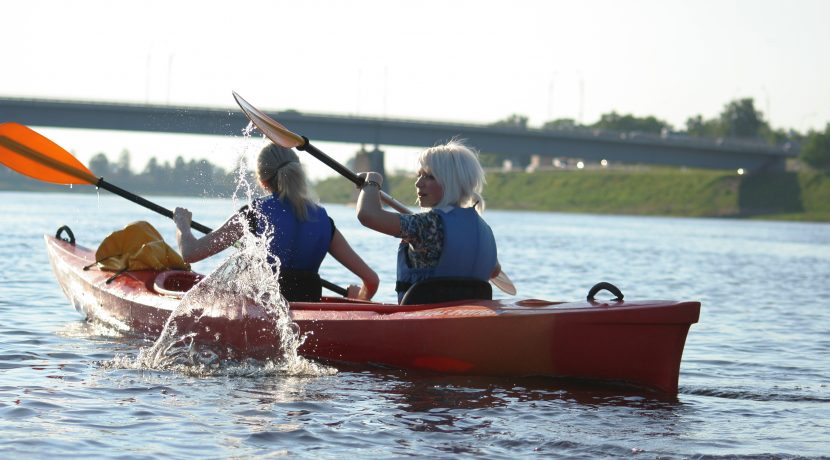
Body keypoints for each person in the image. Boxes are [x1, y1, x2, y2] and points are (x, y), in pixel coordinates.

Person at [173, 143, 379, 302]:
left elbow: (191, 253)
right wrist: (359, 298)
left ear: (262, 182)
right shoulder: (324, 220)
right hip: (309, 313)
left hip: (266, 311)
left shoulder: (253, 214)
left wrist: (182, 225)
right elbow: (371, 281)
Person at [355, 138, 502, 303]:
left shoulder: (425, 225)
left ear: (450, 182)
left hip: (421, 319)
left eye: (429, 177)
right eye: (419, 176)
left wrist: (372, 182)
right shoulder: (484, 229)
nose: (418, 183)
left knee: (357, 298)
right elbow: (494, 271)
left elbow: (368, 215)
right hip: (466, 320)